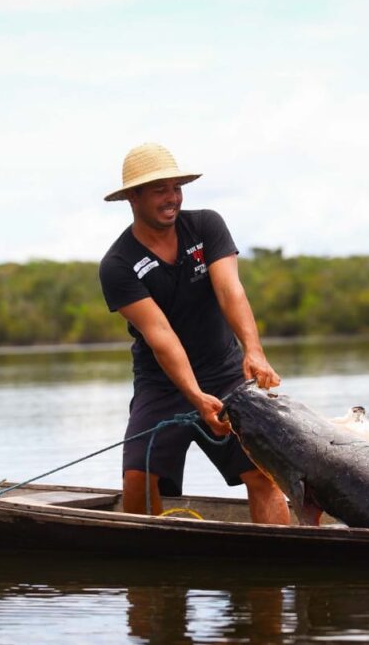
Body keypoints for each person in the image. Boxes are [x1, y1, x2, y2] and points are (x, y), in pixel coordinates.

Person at [98, 142, 290, 524]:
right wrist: (195, 397)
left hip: (225, 371)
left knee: (261, 472)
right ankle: (150, 568)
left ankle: (276, 565)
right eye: (159, 191)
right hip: (161, 383)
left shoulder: (206, 225)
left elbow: (229, 291)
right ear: (133, 197)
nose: (172, 199)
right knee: (139, 478)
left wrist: (254, 351)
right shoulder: (118, 264)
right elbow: (160, 334)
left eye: (176, 188)